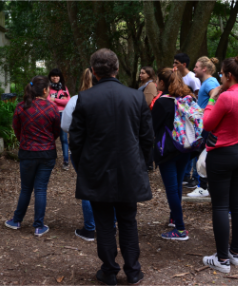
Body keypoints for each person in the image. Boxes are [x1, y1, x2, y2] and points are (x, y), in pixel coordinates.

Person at [70, 48, 153, 285]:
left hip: (98, 169)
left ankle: (109, 270)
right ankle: (133, 270)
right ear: (116, 69)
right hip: (129, 169)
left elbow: (76, 141)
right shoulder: (136, 97)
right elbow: (147, 138)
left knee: (104, 222)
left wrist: (83, 165)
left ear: (94, 72)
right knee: (128, 220)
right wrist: (143, 164)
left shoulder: (85, 98)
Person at [201, 53, 238, 274]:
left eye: (222, 74)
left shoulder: (226, 97)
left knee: (221, 206)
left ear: (229, 75)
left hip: (223, 153)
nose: (220, 78)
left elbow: (207, 122)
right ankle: (236, 253)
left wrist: (213, 97)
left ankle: (222, 259)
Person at [5, 76, 61, 237]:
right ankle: (38, 225)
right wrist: (47, 141)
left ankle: (16, 220)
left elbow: (17, 129)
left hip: (27, 152)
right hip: (47, 153)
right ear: (44, 90)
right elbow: (56, 131)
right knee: (41, 189)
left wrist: (26, 141)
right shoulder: (52, 108)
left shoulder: (21, 107)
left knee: (26, 188)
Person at [151, 67, 195, 241]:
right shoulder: (188, 98)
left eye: (157, 80)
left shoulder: (162, 102)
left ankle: (180, 229)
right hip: (185, 147)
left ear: (162, 82)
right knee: (177, 185)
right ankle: (173, 217)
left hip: (167, 149)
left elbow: (153, 126)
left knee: (171, 188)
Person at [62, 68, 98, 241]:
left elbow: (65, 125)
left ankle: (90, 228)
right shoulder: (107, 99)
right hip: (104, 149)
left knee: (87, 187)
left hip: (83, 150)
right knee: (109, 184)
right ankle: (111, 225)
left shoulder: (75, 100)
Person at [185, 56, 221, 198]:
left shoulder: (210, 82)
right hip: (203, 125)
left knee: (203, 157)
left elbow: (216, 93)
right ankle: (204, 186)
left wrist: (208, 109)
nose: (194, 69)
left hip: (207, 126)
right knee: (201, 156)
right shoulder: (206, 82)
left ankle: (203, 187)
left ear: (204, 69)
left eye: (196, 67)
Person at [48, 68, 71, 171]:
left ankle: (66, 161)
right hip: (52, 115)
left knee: (64, 139)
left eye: (57, 76)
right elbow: (48, 101)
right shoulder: (47, 88)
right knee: (51, 139)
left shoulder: (64, 88)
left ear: (60, 77)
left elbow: (68, 101)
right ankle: (51, 161)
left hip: (63, 115)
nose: (55, 78)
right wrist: (61, 100)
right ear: (50, 77)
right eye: (53, 76)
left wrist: (55, 100)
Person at [138, 66, 158, 172]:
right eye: (140, 73)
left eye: (143, 73)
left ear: (149, 74)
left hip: (147, 116)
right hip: (144, 115)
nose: (140, 75)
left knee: (147, 139)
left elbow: (147, 101)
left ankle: (149, 163)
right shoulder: (143, 85)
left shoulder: (150, 85)